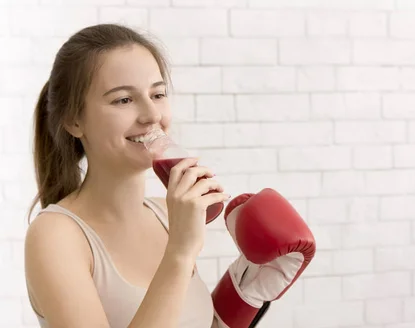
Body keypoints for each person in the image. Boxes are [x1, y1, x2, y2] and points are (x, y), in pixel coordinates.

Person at [24, 23, 315, 328]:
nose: (152, 115)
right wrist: (180, 251)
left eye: (158, 94)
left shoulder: (165, 213)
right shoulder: (55, 237)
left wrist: (246, 292)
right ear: (74, 121)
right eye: (124, 99)